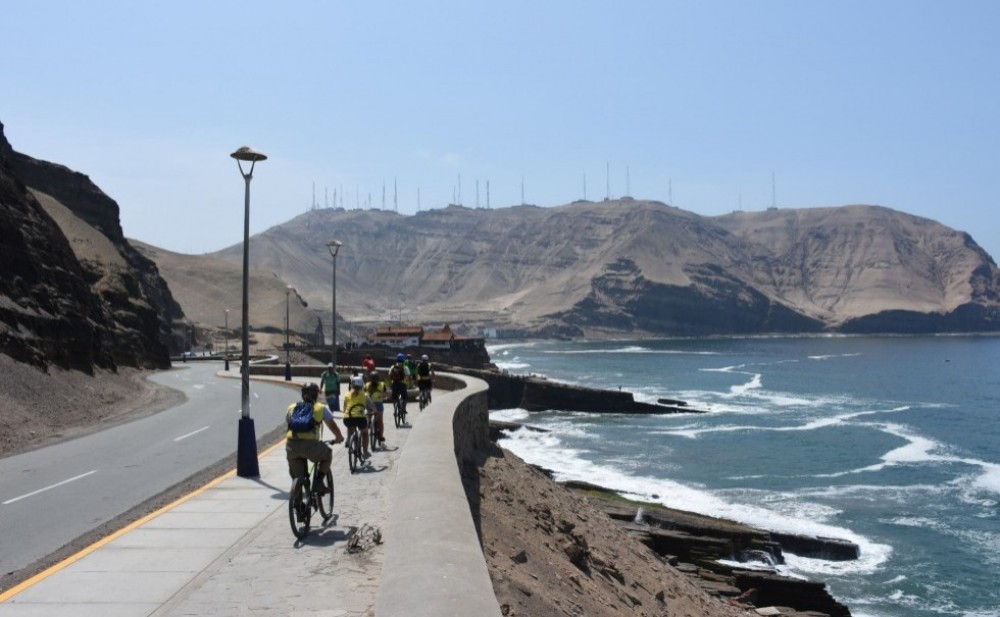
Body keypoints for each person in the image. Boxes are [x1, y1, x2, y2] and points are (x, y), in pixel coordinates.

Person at [285, 382, 344, 492]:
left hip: (291, 446)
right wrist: (339, 437)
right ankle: (318, 482)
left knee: (297, 477)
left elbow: (289, 423)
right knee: (328, 455)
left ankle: (297, 504)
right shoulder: (320, 408)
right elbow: (332, 425)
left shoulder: (292, 407)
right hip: (311, 446)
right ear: (316, 395)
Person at [342, 375, 376, 460]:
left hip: (347, 418)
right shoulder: (365, 395)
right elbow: (373, 408)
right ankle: (365, 452)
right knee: (365, 433)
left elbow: (344, 409)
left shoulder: (347, 395)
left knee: (350, 427)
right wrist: (373, 412)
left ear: (351, 385)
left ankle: (349, 438)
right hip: (360, 418)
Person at [365, 370, 387, 448]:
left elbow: (364, 394)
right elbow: (385, 395)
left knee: (369, 414)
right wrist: (383, 397)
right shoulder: (382, 385)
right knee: (380, 421)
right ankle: (380, 436)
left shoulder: (367, 385)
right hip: (378, 404)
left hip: (369, 404)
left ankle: (369, 421)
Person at [388, 353, 408, 418]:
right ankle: (404, 409)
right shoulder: (405, 367)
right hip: (402, 384)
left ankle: (395, 410)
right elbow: (408, 375)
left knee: (394, 397)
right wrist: (405, 380)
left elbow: (389, 374)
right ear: (403, 360)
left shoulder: (393, 366)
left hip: (394, 384)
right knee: (405, 397)